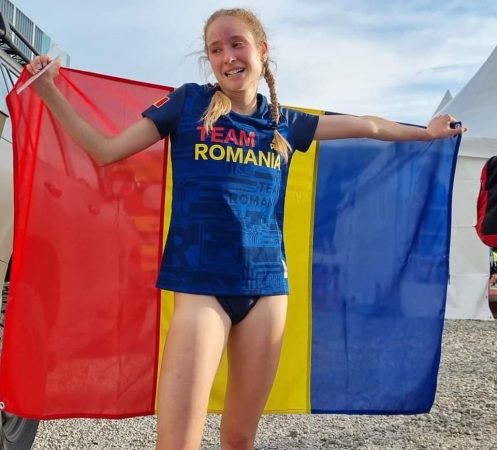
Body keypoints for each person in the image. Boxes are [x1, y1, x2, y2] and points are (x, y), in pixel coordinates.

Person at [26, 8, 465, 450]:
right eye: (216, 49)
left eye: (237, 44)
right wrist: (48, 92)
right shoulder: (188, 103)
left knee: (240, 438)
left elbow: (367, 125)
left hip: (267, 290)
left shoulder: (285, 123)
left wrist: (427, 133)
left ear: (262, 50)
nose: (227, 57)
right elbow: (105, 151)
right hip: (201, 288)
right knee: (177, 443)